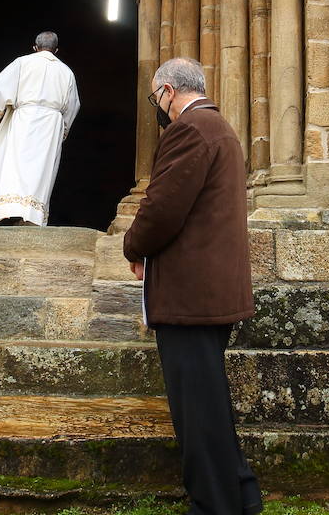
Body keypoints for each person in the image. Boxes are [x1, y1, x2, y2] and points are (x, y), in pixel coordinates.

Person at [123, 57, 261, 515]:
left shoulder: (190, 129)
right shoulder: (217, 127)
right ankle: (239, 495)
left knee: (197, 410)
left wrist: (133, 245)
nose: (157, 107)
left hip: (191, 293)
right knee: (209, 402)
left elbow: (162, 208)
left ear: (166, 90)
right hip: (209, 291)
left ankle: (214, 505)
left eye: (155, 98)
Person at [0, 31, 80, 225]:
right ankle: (32, 217)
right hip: (51, 124)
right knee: (40, 170)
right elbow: (73, 104)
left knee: (15, 163)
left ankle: (5, 209)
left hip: (24, 118)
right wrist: (63, 129)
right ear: (56, 50)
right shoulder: (66, 71)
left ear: (34, 47)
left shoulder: (22, 62)